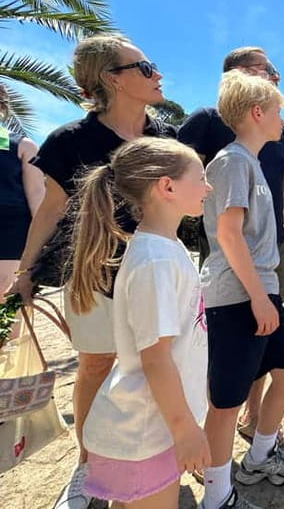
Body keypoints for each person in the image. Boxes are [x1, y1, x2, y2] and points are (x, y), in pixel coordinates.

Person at [3, 34, 176, 509]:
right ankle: (87, 466)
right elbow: (51, 210)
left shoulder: (166, 138)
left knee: (158, 366)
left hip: (155, 276)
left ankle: (153, 458)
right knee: (96, 366)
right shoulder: (70, 141)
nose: (158, 74)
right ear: (111, 79)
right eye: (145, 67)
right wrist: (25, 270)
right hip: (92, 276)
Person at [69, 137, 211, 507]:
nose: (208, 187)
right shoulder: (155, 260)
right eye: (201, 178)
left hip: (154, 425)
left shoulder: (165, 248)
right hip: (145, 431)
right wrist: (185, 429)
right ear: (167, 186)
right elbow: (156, 359)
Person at [200, 70, 284, 509]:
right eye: (279, 110)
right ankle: (217, 497)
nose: (283, 119)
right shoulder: (232, 161)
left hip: (260, 291)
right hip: (239, 296)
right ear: (257, 113)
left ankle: (260, 457)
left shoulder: (252, 163)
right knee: (227, 402)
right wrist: (260, 298)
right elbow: (228, 234)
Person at [178, 47, 284, 443]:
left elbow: (283, 188)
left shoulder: (258, 152)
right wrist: (258, 296)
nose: (275, 75)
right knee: (226, 387)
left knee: (278, 364)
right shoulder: (227, 153)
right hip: (235, 279)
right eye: (268, 68)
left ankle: (257, 438)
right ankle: (216, 464)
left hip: (264, 265)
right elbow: (226, 231)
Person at [0, 103, 45, 295]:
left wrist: (44, 242)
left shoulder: (23, 146)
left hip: (10, 238)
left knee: (6, 303)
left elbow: (37, 195)